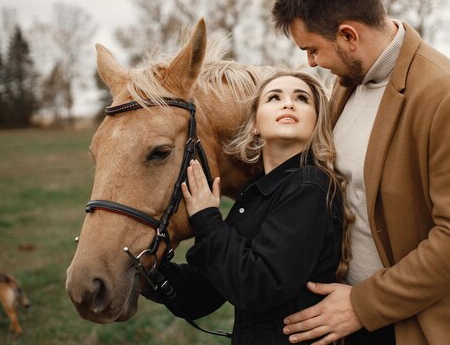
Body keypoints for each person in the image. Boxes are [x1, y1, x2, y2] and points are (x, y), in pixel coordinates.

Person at [271, 0, 450, 345]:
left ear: (348, 36)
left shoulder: (448, 98)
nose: (310, 63)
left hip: (421, 325)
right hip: (348, 318)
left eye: (312, 49)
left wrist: (363, 304)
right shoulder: (347, 80)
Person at [142, 71, 352, 345]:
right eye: (274, 97)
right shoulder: (255, 195)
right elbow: (202, 295)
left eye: (301, 99)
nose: (288, 104)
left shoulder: (309, 186)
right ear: (255, 123)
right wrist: (146, 268)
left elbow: (260, 284)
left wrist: (207, 218)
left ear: (316, 123)